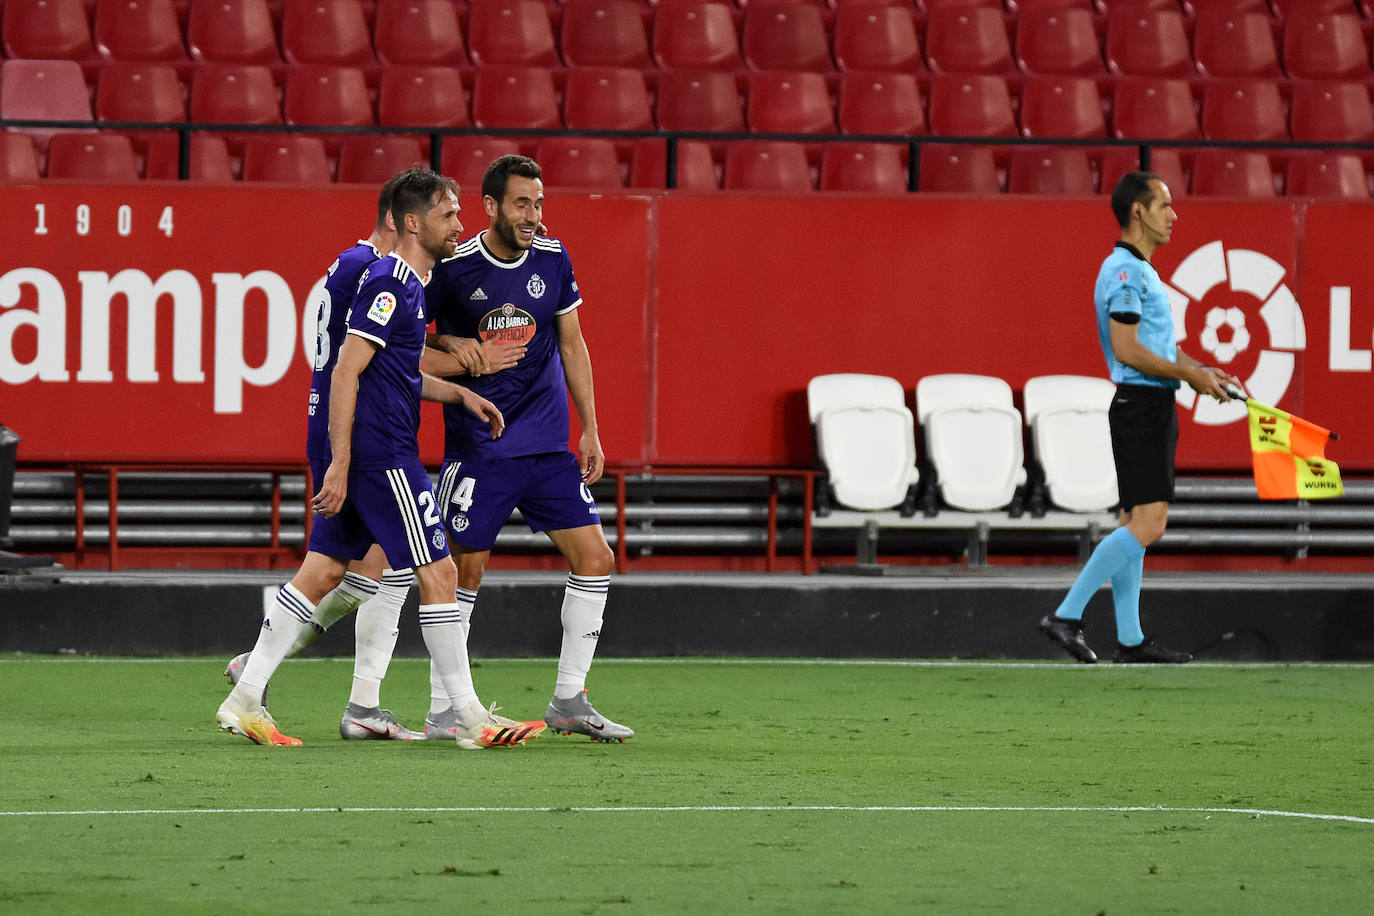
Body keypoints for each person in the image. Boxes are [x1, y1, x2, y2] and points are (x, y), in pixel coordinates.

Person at [217, 168, 542, 749]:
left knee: (322, 572)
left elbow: (399, 374)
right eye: (448, 215)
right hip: (384, 455)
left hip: (375, 450)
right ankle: (470, 717)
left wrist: (463, 393)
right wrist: (341, 462)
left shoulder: (405, 284)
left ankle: (245, 697)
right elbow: (347, 368)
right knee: (439, 571)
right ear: (413, 222)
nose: (459, 226)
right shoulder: (391, 281)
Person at [423, 154, 633, 742]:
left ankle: (570, 698)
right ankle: (444, 709)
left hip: (546, 447)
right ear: (490, 206)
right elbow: (408, 343)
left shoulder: (553, 257)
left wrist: (589, 426)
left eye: (539, 203)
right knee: (464, 574)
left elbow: (572, 342)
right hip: (480, 446)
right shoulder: (455, 267)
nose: (534, 215)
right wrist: (453, 342)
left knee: (596, 560)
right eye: (522, 203)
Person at [1039, 171, 1238, 665]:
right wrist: (1186, 377)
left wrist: (1199, 369)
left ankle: (1129, 640)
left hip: (1146, 406)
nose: (1174, 215)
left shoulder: (1138, 270)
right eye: (1165, 205)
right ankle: (1066, 614)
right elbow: (1128, 350)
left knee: (1134, 523)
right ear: (1139, 212)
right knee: (1149, 526)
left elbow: (1155, 346)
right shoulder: (1126, 271)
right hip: (1142, 407)